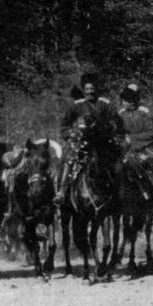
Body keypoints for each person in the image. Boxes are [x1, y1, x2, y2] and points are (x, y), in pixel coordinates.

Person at [53, 72, 124, 206]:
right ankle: (61, 192)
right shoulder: (76, 105)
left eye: (92, 89)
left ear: (96, 89)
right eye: (87, 89)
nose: (90, 92)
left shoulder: (105, 104)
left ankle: (117, 195)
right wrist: (71, 134)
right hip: (81, 142)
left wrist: (104, 126)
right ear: (83, 90)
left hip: (102, 143)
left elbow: (116, 121)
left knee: (117, 166)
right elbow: (64, 125)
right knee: (69, 159)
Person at [117, 84, 153, 201]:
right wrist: (122, 141)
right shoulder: (121, 114)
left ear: (132, 101)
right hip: (126, 149)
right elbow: (118, 132)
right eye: (123, 100)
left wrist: (132, 139)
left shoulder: (144, 112)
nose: (123, 103)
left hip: (146, 147)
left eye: (126, 101)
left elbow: (152, 133)